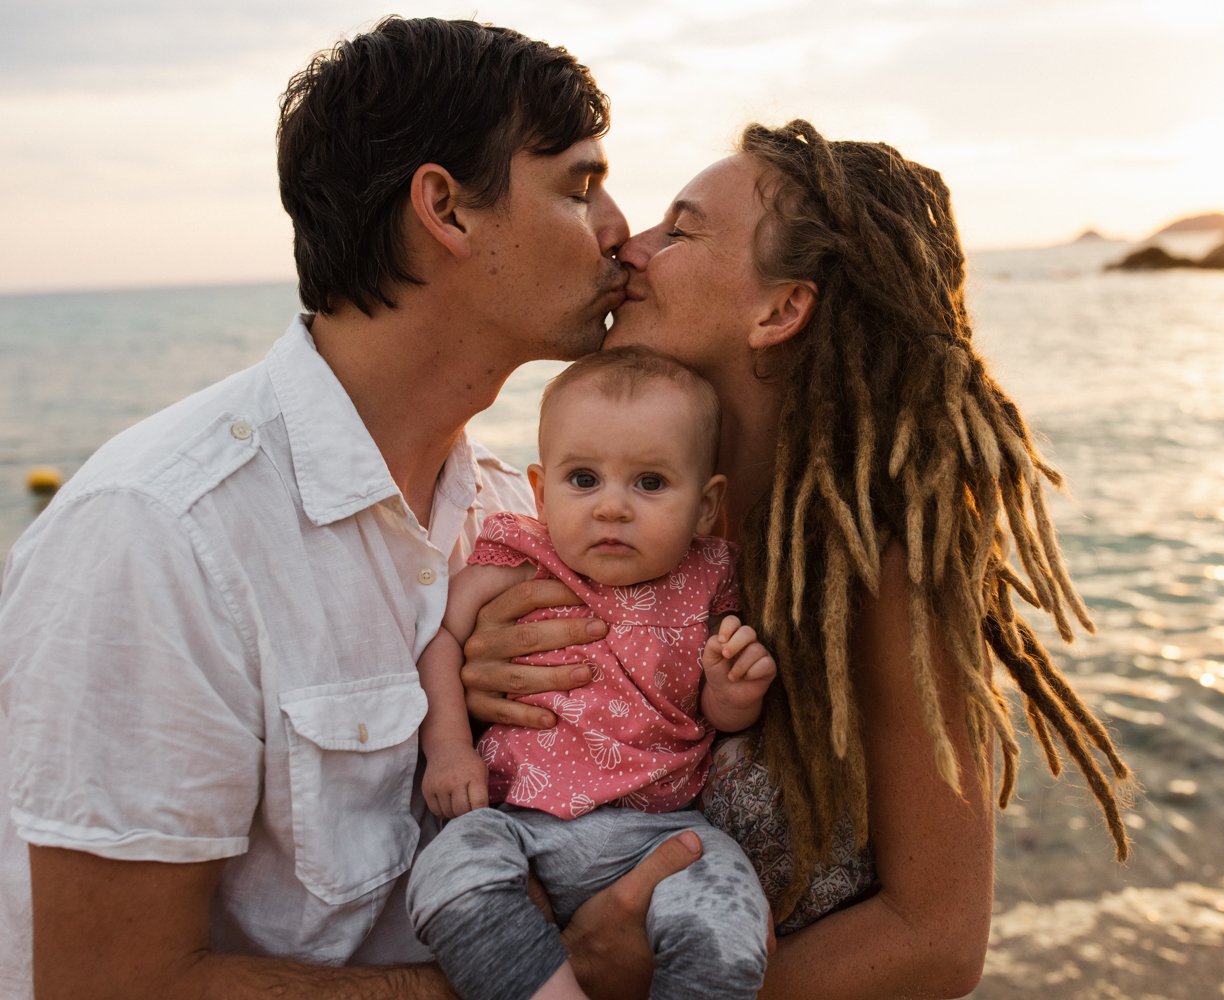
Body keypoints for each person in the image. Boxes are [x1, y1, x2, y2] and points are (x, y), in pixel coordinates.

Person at [0, 17, 696, 998]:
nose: (619, 227)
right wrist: (538, 982)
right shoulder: (160, 535)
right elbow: (111, 982)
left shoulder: (514, 514)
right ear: (446, 210)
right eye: (580, 187)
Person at [459, 120, 1136, 999]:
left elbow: (936, 940)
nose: (632, 244)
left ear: (780, 309)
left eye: (682, 228)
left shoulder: (883, 571)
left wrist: (661, 985)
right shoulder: (626, 539)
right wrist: (486, 684)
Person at [409, 347, 775, 1000]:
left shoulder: (711, 577)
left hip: (660, 832)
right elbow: (438, 634)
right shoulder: (522, 555)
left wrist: (733, 691)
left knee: (732, 904)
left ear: (705, 505)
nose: (612, 508)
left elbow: (716, 717)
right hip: (519, 820)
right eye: (584, 480)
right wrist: (448, 748)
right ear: (541, 490)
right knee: (451, 868)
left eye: (650, 483)